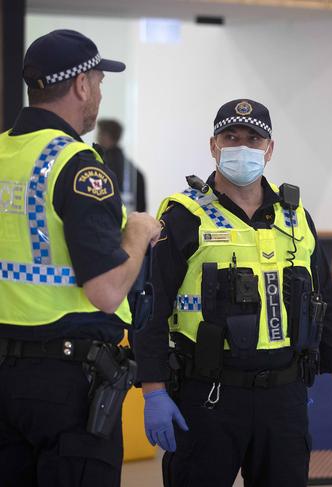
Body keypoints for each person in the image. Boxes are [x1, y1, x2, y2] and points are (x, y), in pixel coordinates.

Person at [133, 99, 332, 487]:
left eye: (253, 138)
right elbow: (151, 309)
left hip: (284, 397)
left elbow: (327, 303)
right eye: (231, 136)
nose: (242, 146)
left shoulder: (296, 216)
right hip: (208, 396)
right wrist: (153, 391)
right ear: (213, 145)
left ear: (269, 149)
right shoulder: (184, 216)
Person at [0, 30, 160, 487]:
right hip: (65, 385)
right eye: (99, 80)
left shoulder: (3, 153)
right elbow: (107, 292)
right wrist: (139, 233)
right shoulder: (78, 166)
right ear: (82, 86)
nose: (99, 92)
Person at [96, 119, 147, 212]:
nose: (96, 138)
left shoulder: (100, 166)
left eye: (99, 134)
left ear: (106, 137)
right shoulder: (134, 171)